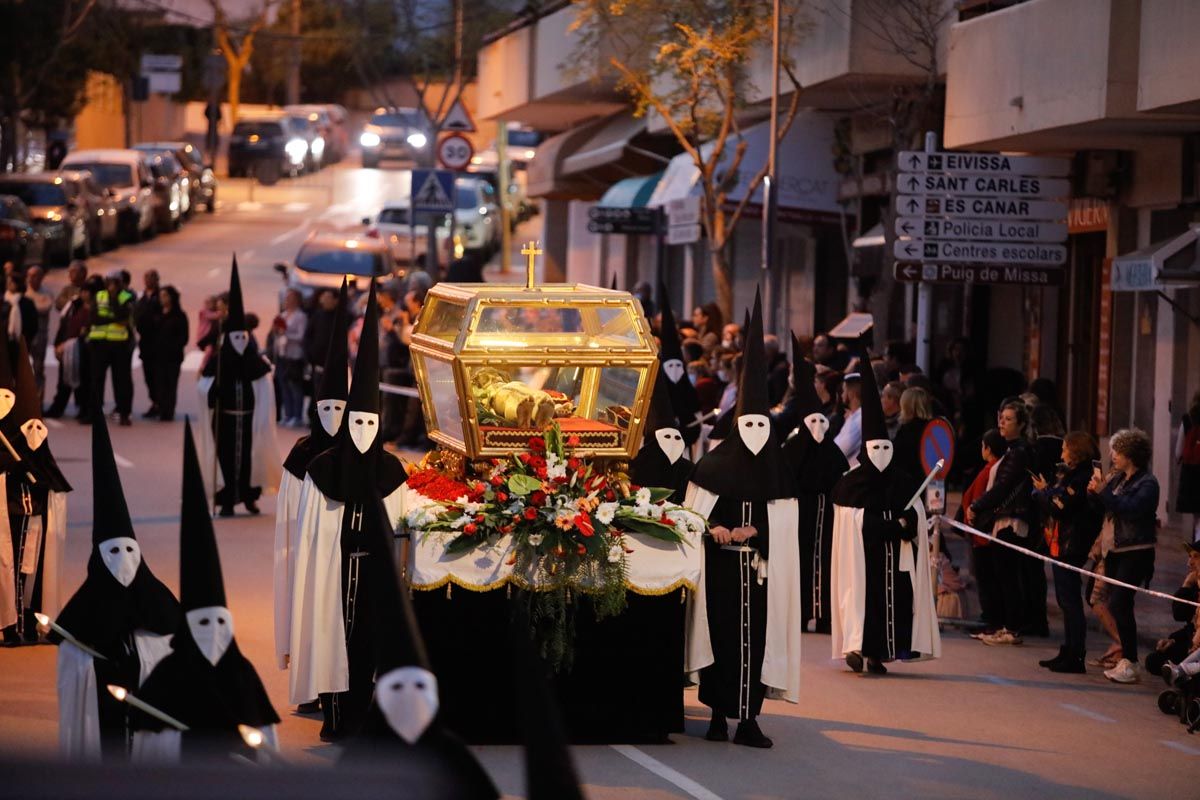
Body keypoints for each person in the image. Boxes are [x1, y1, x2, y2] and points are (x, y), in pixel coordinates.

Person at [290, 282, 408, 742]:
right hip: (333, 576)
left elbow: (399, 532)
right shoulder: (323, 469)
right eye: (353, 421)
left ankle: (369, 719)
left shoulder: (391, 471)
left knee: (369, 649)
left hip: (376, 580)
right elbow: (313, 538)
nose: (359, 430)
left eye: (368, 422)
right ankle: (337, 718)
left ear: (379, 425)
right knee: (335, 643)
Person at [685, 291, 801, 749]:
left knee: (754, 644)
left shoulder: (779, 473)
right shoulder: (713, 467)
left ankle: (749, 719)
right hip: (720, 572)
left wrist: (759, 533)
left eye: (762, 426)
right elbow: (693, 516)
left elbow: (787, 528)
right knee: (722, 641)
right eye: (747, 425)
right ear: (736, 426)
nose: (754, 434)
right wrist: (714, 529)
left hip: (759, 575)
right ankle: (716, 715)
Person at [129, 421, 279, 762]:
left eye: (219, 622)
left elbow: (268, 752)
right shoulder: (163, 684)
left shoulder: (243, 679)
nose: (212, 634)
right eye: (202, 624)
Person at [340, 505, 498, 799]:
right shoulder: (359, 758)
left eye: (419, 686)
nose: (409, 700)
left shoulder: (456, 758)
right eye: (398, 687)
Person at [51, 415, 179, 760]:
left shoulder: (161, 610)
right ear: (97, 558)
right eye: (113, 551)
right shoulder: (79, 626)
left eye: (128, 550)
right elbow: (73, 702)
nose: (122, 560)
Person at [830, 341, 940, 675]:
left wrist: (910, 520)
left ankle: (879, 653)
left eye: (884, 447)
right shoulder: (851, 483)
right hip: (863, 559)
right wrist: (887, 526)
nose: (879, 452)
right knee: (864, 603)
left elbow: (916, 510)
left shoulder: (902, 480)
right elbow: (850, 520)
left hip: (893, 558)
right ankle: (857, 648)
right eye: (873, 447)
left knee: (890, 607)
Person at [275, 279, 348, 691]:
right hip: (310, 557)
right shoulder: (302, 457)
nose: (336, 416)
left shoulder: (371, 462)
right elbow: (288, 520)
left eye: (344, 409)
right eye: (328, 408)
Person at [0, 331, 71, 645]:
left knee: (29, 569)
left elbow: (46, 469)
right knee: (10, 566)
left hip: (32, 510)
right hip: (10, 507)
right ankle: (10, 623)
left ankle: (27, 620)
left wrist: (36, 475)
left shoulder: (31, 425)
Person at [195, 258, 280, 517]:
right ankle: (228, 500)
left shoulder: (254, 362)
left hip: (249, 421)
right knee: (228, 461)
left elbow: (264, 383)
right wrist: (214, 394)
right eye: (235, 338)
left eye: (244, 337)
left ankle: (249, 497)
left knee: (249, 460)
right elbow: (204, 385)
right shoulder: (220, 362)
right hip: (226, 420)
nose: (240, 342)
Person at [783, 343, 849, 634]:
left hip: (827, 513)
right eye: (814, 421)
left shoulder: (831, 451)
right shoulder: (795, 447)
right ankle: (800, 613)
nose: (820, 426)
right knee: (800, 561)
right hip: (801, 512)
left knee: (826, 562)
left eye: (824, 421)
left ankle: (823, 616)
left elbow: (841, 476)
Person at [1090, 428, 1159, 684]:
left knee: (1120, 602)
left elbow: (1130, 510)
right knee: (1116, 603)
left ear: (1131, 454)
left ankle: (1130, 660)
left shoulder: (1147, 483)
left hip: (1135, 551)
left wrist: (1104, 494)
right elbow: (1108, 508)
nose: (1113, 455)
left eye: (1118, 451)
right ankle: (1126, 659)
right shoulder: (1120, 479)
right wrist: (1095, 493)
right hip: (1115, 550)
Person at [1031, 431, 1103, 673]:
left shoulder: (1082, 477)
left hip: (1072, 545)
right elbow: (1057, 497)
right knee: (1064, 600)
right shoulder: (1070, 474)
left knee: (1070, 600)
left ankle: (1076, 654)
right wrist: (1048, 492)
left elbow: (1060, 507)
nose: (1061, 453)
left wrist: (1041, 494)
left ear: (1076, 451)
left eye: (1065, 449)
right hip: (1060, 542)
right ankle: (1067, 649)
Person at [968, 400, 1035, 646]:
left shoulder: (1019, 452)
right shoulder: (1010, 450)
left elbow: (1003, 486)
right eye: (1001, 418)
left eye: (1008, 419)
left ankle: (1012, 628)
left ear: (1021, 424)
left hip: (1012, 519)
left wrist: (977, 505)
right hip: (1002, 518)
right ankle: (1004, 625)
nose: (1002, 423)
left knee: (1008, 575)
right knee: (1001, 574)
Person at [960, 429, 1007, 637]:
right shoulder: (990, 468)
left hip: (982, 533)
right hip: (979, 532)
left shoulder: (991, 470)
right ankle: (988, 616)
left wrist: (972, 514)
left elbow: (980, 497)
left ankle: (990, 618)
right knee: (985, 578)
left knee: (986, 578)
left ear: (987, 449)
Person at [86, 270, 135, 426]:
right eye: (109, 282)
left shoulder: (126, 297)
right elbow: (94, 318)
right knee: (96, 379)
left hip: (120, 344)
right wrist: (112, 318)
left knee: (121, 380)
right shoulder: (99, 296)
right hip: (99, 343)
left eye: (114, 282)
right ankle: (94, 413)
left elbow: (123, 317)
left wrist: (113, 301)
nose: (111, 285)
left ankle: (124, 413)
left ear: (120, 283)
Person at [1147, 541, 1200, 678]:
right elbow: (1180, 615)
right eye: (1190, 556)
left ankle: (1182, 676)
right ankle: (1180, 674)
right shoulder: (1195, 586)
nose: (1190, 563)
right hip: (1192, 644)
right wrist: (1187, 585)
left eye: (1196, 557)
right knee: (1154, 660)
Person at [658, 288, 702, 448]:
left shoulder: (688, 391)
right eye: (670, 366)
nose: (675, 370)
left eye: (678, 365)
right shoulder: (659, 392)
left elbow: (696, 418)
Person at [150, 286, 187, 422]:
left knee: (171, 385)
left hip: (173, 357)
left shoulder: (180, 315)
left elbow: (184, 337)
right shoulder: (157, 313)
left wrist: (172, 348)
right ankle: (161, 408)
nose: (162, 299)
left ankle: (168, 411)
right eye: (161, 296)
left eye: (165, 295)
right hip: (158, 356)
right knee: (159, 384)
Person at [274, 289, 308, 427]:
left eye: (290, 298)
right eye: (286, 298)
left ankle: (297, 415)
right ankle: (287, 414)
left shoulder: (300, 316)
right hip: (283, 353)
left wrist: (286, 334)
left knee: (295, 385)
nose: (287, 301)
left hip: (294, 355)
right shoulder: (283, 315)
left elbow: (301, 336)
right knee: (283, 384)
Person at [891, 387, 933, 479]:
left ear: (906, 406)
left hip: (909, 484)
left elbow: (897, 458)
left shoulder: (907, 430)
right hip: (929, 481)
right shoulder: (933, 429)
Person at [24, 266, 53, 398]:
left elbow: (45, 308)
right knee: (21, 368)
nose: (32, 279)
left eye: (35, 276)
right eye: (30, 275)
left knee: (38, 368)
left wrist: (28, 307)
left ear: (41, 277)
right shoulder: (23, 291)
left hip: (40, 334)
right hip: (24, 335)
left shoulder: (46, 292)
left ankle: (38, 400)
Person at [1176, 392, 1200, 544]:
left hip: (1192, 474)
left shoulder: (1187, 419)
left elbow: (1178, 452)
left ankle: (1196, 554)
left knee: (1197, 517)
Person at [833, 372, 863, 467]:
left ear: (851, 394)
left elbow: (840, 450)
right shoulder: (853, 416)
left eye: (843, 391)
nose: (841, 395)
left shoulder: (860, 418)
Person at [2, 272, 36, 346]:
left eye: (11, 282)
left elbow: (33, 324)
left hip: (22, 342)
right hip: (3, 342)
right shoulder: (3, 301)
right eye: (7, 282)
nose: (8, 284)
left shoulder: (27, 302)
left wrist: (27, 339)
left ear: (18, 284)